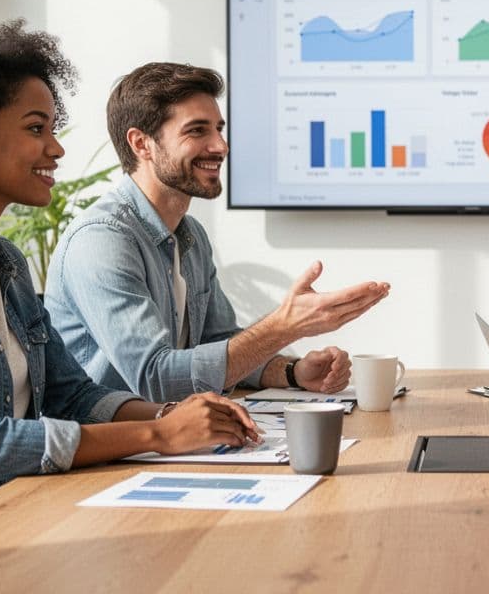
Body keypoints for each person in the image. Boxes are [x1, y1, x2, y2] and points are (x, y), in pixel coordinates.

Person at [0, 22, 259, 560]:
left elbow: (72, 396)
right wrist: (159, 436)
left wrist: (172, 416)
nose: (56, 148)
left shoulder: (4, 261)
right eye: (37, 129)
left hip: (13, 515)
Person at [45, 62, 390, 402]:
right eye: (197, 131)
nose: (220, 146)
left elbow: (220, 343)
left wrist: (292, 371)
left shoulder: (190, 235)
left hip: (168, 440)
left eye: (218, 129)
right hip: (111, 450)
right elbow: (155, 378)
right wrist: (286, 325)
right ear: (141, 144)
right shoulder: (101, 240)